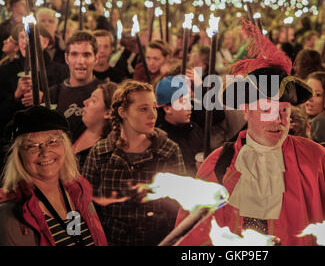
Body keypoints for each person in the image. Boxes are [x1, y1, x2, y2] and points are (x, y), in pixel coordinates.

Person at [176, 19, 325, 246]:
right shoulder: (217, 163)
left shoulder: (318, 160)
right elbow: (193, 239)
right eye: (267, 109)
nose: (277, 120)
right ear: (246, 111)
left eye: (284, 110)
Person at [82, 80, 186, 245]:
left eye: (153, 107)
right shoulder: (101, 152)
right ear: (123, 112)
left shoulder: (168, 151)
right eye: (143, 109)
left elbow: (180, 207)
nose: (152, 115)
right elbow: (85, 205)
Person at [0, 106, 107, 246]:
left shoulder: (78, 191)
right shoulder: (10, 214)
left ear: (65, 146)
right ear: (19, 156)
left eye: (52, 142)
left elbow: (80, 237)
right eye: (32, 146)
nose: (45, 152)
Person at [49, 31, 104, 143]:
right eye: (74, 54)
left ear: (96, 58)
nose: (80, 61)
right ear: (66, 58)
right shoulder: (53, 94)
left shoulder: (105, 93)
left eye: (86, 55)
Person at [155, 76, 204, 177]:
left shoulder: (194, 129)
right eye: (184, 102)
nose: (190, 106)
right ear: (168, 109)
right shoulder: (161, 141)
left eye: (189, 101)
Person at [73, 82, 117, 170]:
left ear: (108, 113)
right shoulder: (79, 126)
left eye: (93, 100)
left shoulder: (105, 152)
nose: (85, 102)